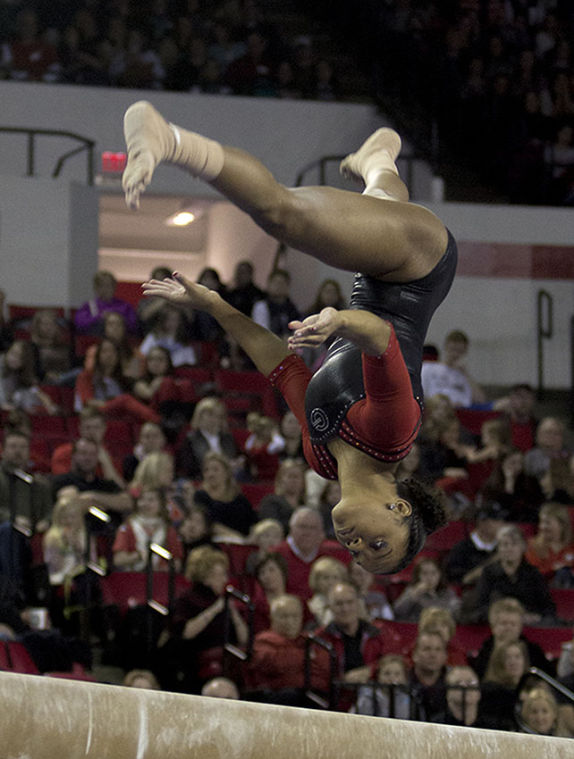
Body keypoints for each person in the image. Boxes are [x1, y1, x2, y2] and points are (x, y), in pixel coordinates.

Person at [124, 100, 456, 574]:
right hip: (416, 267)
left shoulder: (321, 456)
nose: (356, 547)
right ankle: (170, 139)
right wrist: (339, 321)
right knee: (285, 217)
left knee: (376, 202)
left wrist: (213, 304)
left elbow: (281, 366)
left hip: (373, 277)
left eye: (358, 556)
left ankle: (378, 158)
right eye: (377, 545)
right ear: (399, 509)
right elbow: (381, 337)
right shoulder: (392, 434)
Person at [463, 524, 556, 625]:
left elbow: (548, 608)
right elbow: (480, 606)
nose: (509, 548)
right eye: (504, 544)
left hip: (529, 626)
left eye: (514, 544)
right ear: (498, 549)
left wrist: (535, 617)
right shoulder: (489, 573)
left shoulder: (534, 574)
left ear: (523, 546)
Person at [248, 593, 331, 704]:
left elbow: (325, 666)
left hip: (317, 695)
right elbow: (276, 663)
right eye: (284, 616)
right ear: (272, 618)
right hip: (281, 698)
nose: (290, 621)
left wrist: (292, 660)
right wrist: (306, 657)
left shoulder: (310, 640)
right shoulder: (263, 641)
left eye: (295, 616)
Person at [274, 507, 349, 600]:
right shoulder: (275, 555)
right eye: (302, 526)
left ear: (321, 532)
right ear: (291, 528)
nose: (307, 532)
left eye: (313, 528)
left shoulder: (336, 552)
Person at [470, 598, 551, 680]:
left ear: (520, 627)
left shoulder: (534, 651)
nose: (508, 628)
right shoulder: (485, 651)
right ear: (493, 626)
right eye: (504, 623)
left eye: (513, 624)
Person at [112, 488, 183, 572]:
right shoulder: (127, 528)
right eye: (142, 499)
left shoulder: (168, 530)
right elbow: (118, 560)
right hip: (133, 576)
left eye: (151, 500)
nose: (145, 504)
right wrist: (139, 556)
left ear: (161, 504)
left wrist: (163, 569)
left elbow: (176, 563)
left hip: (161, 578)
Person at [444, 499, 508, 586]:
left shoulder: (504, 546)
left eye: (501, 520)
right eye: (496, 520)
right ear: (482, 522)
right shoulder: (462, 549)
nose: (501, 524)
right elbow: (457, 580)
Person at [193, 452, 257, 538]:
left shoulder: (240, 499)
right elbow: (209, 525)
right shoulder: (200, 497)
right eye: (206, 470)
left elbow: (253, 523)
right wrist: (237, 538)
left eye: (215, 469)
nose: (210, 474)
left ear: (226, 473)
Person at [421, 330, 487, 409]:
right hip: (437, 410)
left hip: (461, 412)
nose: (455, 354)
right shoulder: (428, 368)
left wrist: (466, 374)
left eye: (460, 351)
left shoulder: (463, 375)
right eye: (453, 349)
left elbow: (480, 400)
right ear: (445, 347)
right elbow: (421, 396)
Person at [392, 557, 460, 623]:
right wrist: (414, 594)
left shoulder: (447, 592)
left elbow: (458, 612)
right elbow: (397, 611)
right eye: (425, 573)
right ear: (418, 576)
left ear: (440, 575)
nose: (429, 577)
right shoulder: (412, 590)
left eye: (433, 573)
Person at [73, 270, 139, 335]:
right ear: (96, 288)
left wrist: (118, 318)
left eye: (109, 285)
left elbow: (133, 325)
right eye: (101, 286)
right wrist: (99, 317)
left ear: (114, 287)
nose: (105, 289)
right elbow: (79, 323)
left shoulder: (125, 306)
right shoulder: (89, 306)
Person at [524, 502, 574, 581]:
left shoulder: (571, 547)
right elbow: (531, 575)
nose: (542, 526)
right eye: (541, 522)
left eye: (547, 522)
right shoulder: (532, 546)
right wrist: (552, 571)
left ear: (562, 524)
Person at [354, 653, 413, 719]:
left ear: (405, 678)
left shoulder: (410, 698)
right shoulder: (369, 695)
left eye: (397, 674)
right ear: (378, 676)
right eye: (387, 673)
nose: (392, 678)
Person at [408, 630, 448, 721]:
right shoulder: (403, 680)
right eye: (427, 649)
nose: (433, 655)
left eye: (438, 649)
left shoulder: (453, 682)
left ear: (445, 655)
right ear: (415, 655)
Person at [307, 555, 349, 627]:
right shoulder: (311, 606)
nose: (331, 582)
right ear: (316, 580)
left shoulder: (350, 603)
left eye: (335, 578)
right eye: (326, 578)